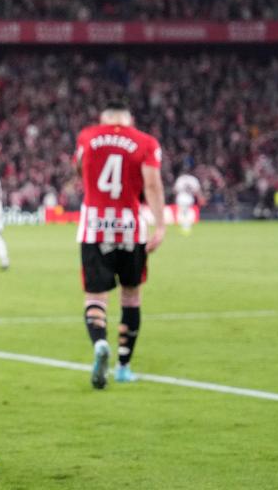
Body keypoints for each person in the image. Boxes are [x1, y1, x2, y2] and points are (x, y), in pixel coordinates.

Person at [74, 101, 166, 388]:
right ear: (130, 119)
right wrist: (161, 225)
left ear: (104, 117)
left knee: (96, 297)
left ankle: (100, 343)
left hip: (94, 227)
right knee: (131, 296)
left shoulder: (88, 136)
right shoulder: (145, 142)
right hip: (131, 228)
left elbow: (79, 168)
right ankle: (124, 366)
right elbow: (151, 185)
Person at [173, 170, 203, 235]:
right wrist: (200, 197)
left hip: (181, 198)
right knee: (187, 212)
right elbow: (197, 190)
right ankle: (187, 226)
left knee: (182, 213)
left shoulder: (181, 179)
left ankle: (185, 226)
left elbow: (175, 190)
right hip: (189, 198)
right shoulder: (193, 179)